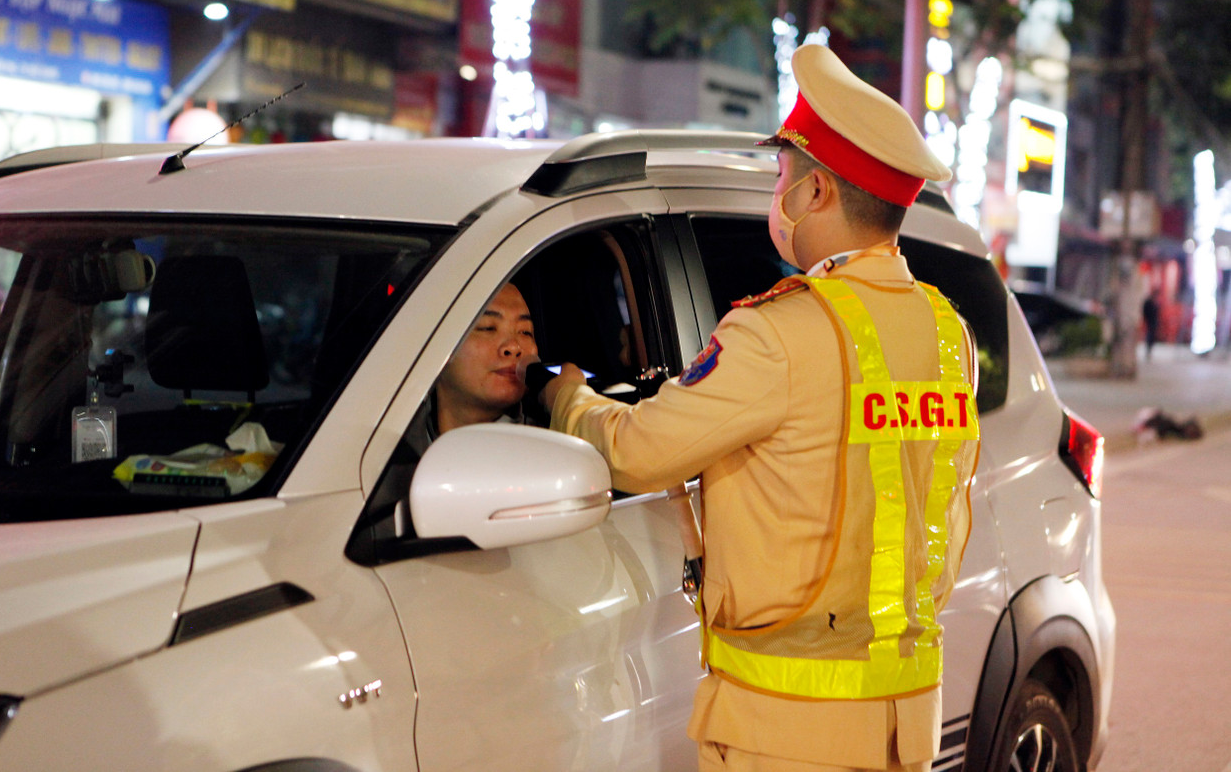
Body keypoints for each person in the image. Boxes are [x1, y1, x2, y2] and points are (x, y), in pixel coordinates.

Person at [540, 44, 981, 772]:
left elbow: (641, 451)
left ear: (816, 195)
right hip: (905, 721)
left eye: (783, 174)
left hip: (786, 730)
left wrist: (567, 397)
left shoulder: (780, 334)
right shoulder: (946, 332)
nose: (775, 191)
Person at [402, 282, 537, 454]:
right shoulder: (383, 453)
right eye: (488, 328)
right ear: (437, 346)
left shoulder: (552, 446)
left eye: (525, 332)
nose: (514, 347)